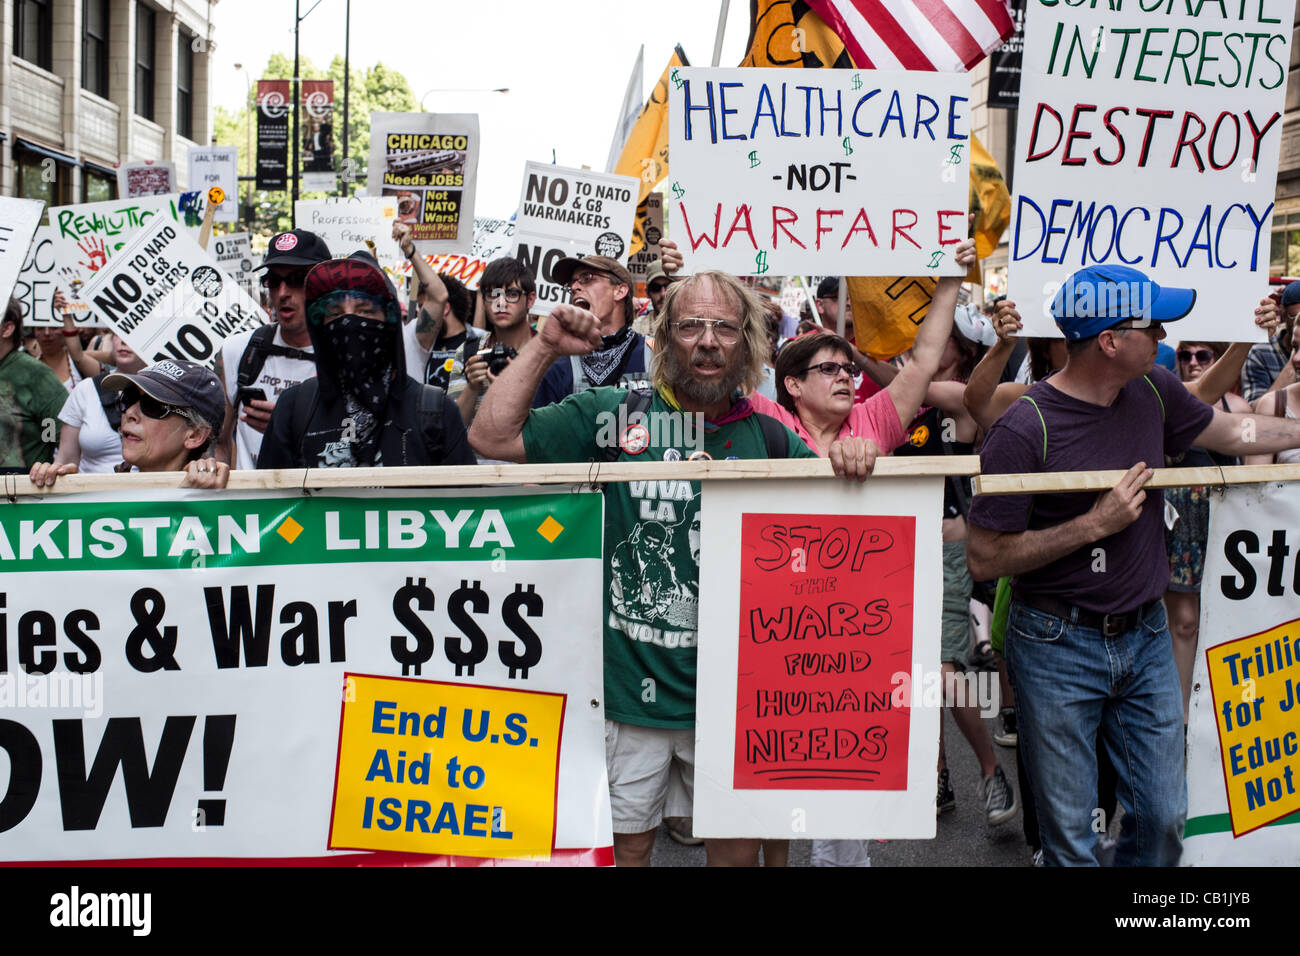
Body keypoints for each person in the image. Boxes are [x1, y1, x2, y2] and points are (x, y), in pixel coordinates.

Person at [469, 268, 878, 867]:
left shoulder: (768, 435)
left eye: (724, 328)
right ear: (662, 337)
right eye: (690, 326)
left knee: (735, 855)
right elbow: (490, 435)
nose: (707, 341)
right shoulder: (614, 414)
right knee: (627, 851)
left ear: (748, 344)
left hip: (740, 699)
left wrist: (851, 455)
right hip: (631, 698)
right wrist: (546, 342)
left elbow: (840, 540)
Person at [966, 264, 1300, 866]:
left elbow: (1231, 430)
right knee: (1071, 838)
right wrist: (1093, 525)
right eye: (1155, 325)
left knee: (1163, 818)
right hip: (1055, 642)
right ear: (1111, 341)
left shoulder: (1153, 389)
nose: (1167, 336)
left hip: (1144, 634)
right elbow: (984, 555)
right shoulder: (1025, 426)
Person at [257, 253, 475, 469]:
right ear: (321, 327)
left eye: (365, 311)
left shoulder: (437, 412)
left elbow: (467, 500)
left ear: (388, 323)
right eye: (335, 313)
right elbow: (264, 501)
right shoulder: (293, 409)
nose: (349, 322)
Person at [215, 229, 331, 469]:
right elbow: (217, 442)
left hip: (318, 503)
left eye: (298, 280)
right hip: (252, 505)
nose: (283, 293)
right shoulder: (237, 350)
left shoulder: (345, 357)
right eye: (274, 281)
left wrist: (290, 429)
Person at [29, 359, 229, 487]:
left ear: (194, 435)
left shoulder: (217, 501)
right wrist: (62, 492)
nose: (130, 412)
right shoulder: (103, 492)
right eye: (128, 397)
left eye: (152, 405)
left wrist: (204, 498)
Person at [395, 220, 487, 392]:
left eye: (423, 306)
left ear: (444, 308)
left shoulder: (480, 340)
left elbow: (439, 295)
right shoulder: (421, 342)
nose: (420, 313)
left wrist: (410, 250)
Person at [449, 256, 536, 427]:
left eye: (512, 294)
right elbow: (453, 428)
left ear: (530, 300)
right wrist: (473, 388)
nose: (501, 303)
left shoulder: (546, 353)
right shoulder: (469, 352)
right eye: (492, 294)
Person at [49, 328, 147, 474]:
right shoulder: (86, 390)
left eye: (133, 334)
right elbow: (65, 459)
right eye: (118, 334)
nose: (123, 341)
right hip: (91, 494)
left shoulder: (170, 392)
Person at [0, 298, 68, 473]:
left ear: (7, 329)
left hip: (21, 494)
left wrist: (47, 463)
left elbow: (61, 436)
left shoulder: (36, 375)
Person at [1240, 280, 1297, 401]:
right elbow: (1253, 411)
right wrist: (1292, 366)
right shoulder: (1261, 353)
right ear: (1283, 314)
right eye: (1296, 316)